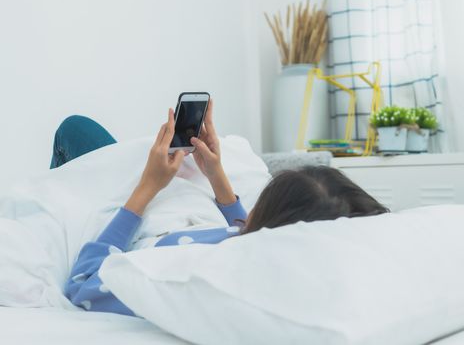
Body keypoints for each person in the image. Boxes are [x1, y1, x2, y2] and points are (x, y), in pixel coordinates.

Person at [57, 101, 388, 316]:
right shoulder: (270, 251)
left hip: (141, 210)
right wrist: (217, 177)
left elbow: (84, 285)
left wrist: (147, 186)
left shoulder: (190, 277)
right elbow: (247, 233)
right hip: (190, 198)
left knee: (74, 131)